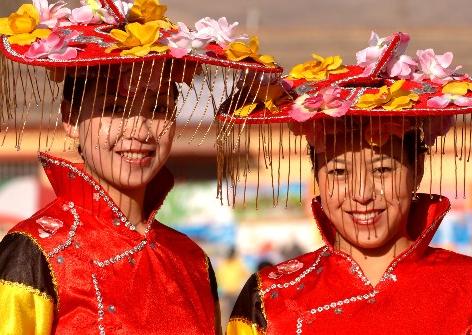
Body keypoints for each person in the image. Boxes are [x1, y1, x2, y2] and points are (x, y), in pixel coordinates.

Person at [0, 0, 281, 334]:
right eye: (116, 107)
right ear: (71, 118)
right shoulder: (35, 253)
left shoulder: (192, 261)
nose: (139, 130)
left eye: (159, 108)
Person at [220, 32, 472, 334]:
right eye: (339, 172)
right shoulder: (269, 297)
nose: (362, 194)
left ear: (417, 169)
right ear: (317, 176)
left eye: (382, 170)